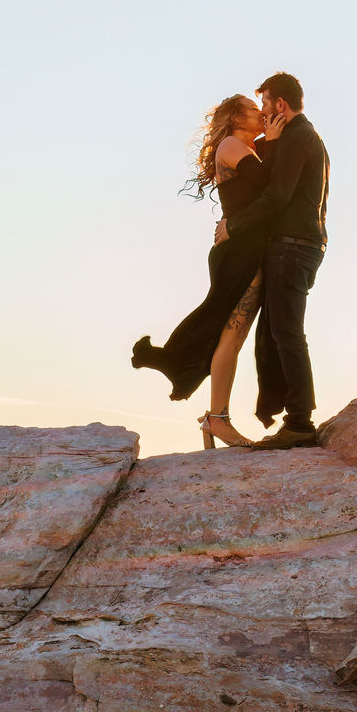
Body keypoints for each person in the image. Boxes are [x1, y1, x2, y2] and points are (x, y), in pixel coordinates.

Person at [130, 93, 286, 448]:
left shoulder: (247, 145)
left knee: (228, 332)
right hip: (238, 251)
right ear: (235, 118)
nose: (261, 114)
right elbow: (268, 186)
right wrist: (274, 143)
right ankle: (218, 419)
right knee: (230, 335)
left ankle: (209, 410)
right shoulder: (232, 144)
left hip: (243, 248)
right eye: (253, 109)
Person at [225, 71, 329, 450]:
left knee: (287, 334)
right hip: (301, 244)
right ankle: (294, 417)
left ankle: (299, 422)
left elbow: (275, 196)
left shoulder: (297, 137)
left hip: (293, 246)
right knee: (281, 333)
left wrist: (232, 226)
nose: (264, 110)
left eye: (265, 103)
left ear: (279, 104)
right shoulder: (303, 136)